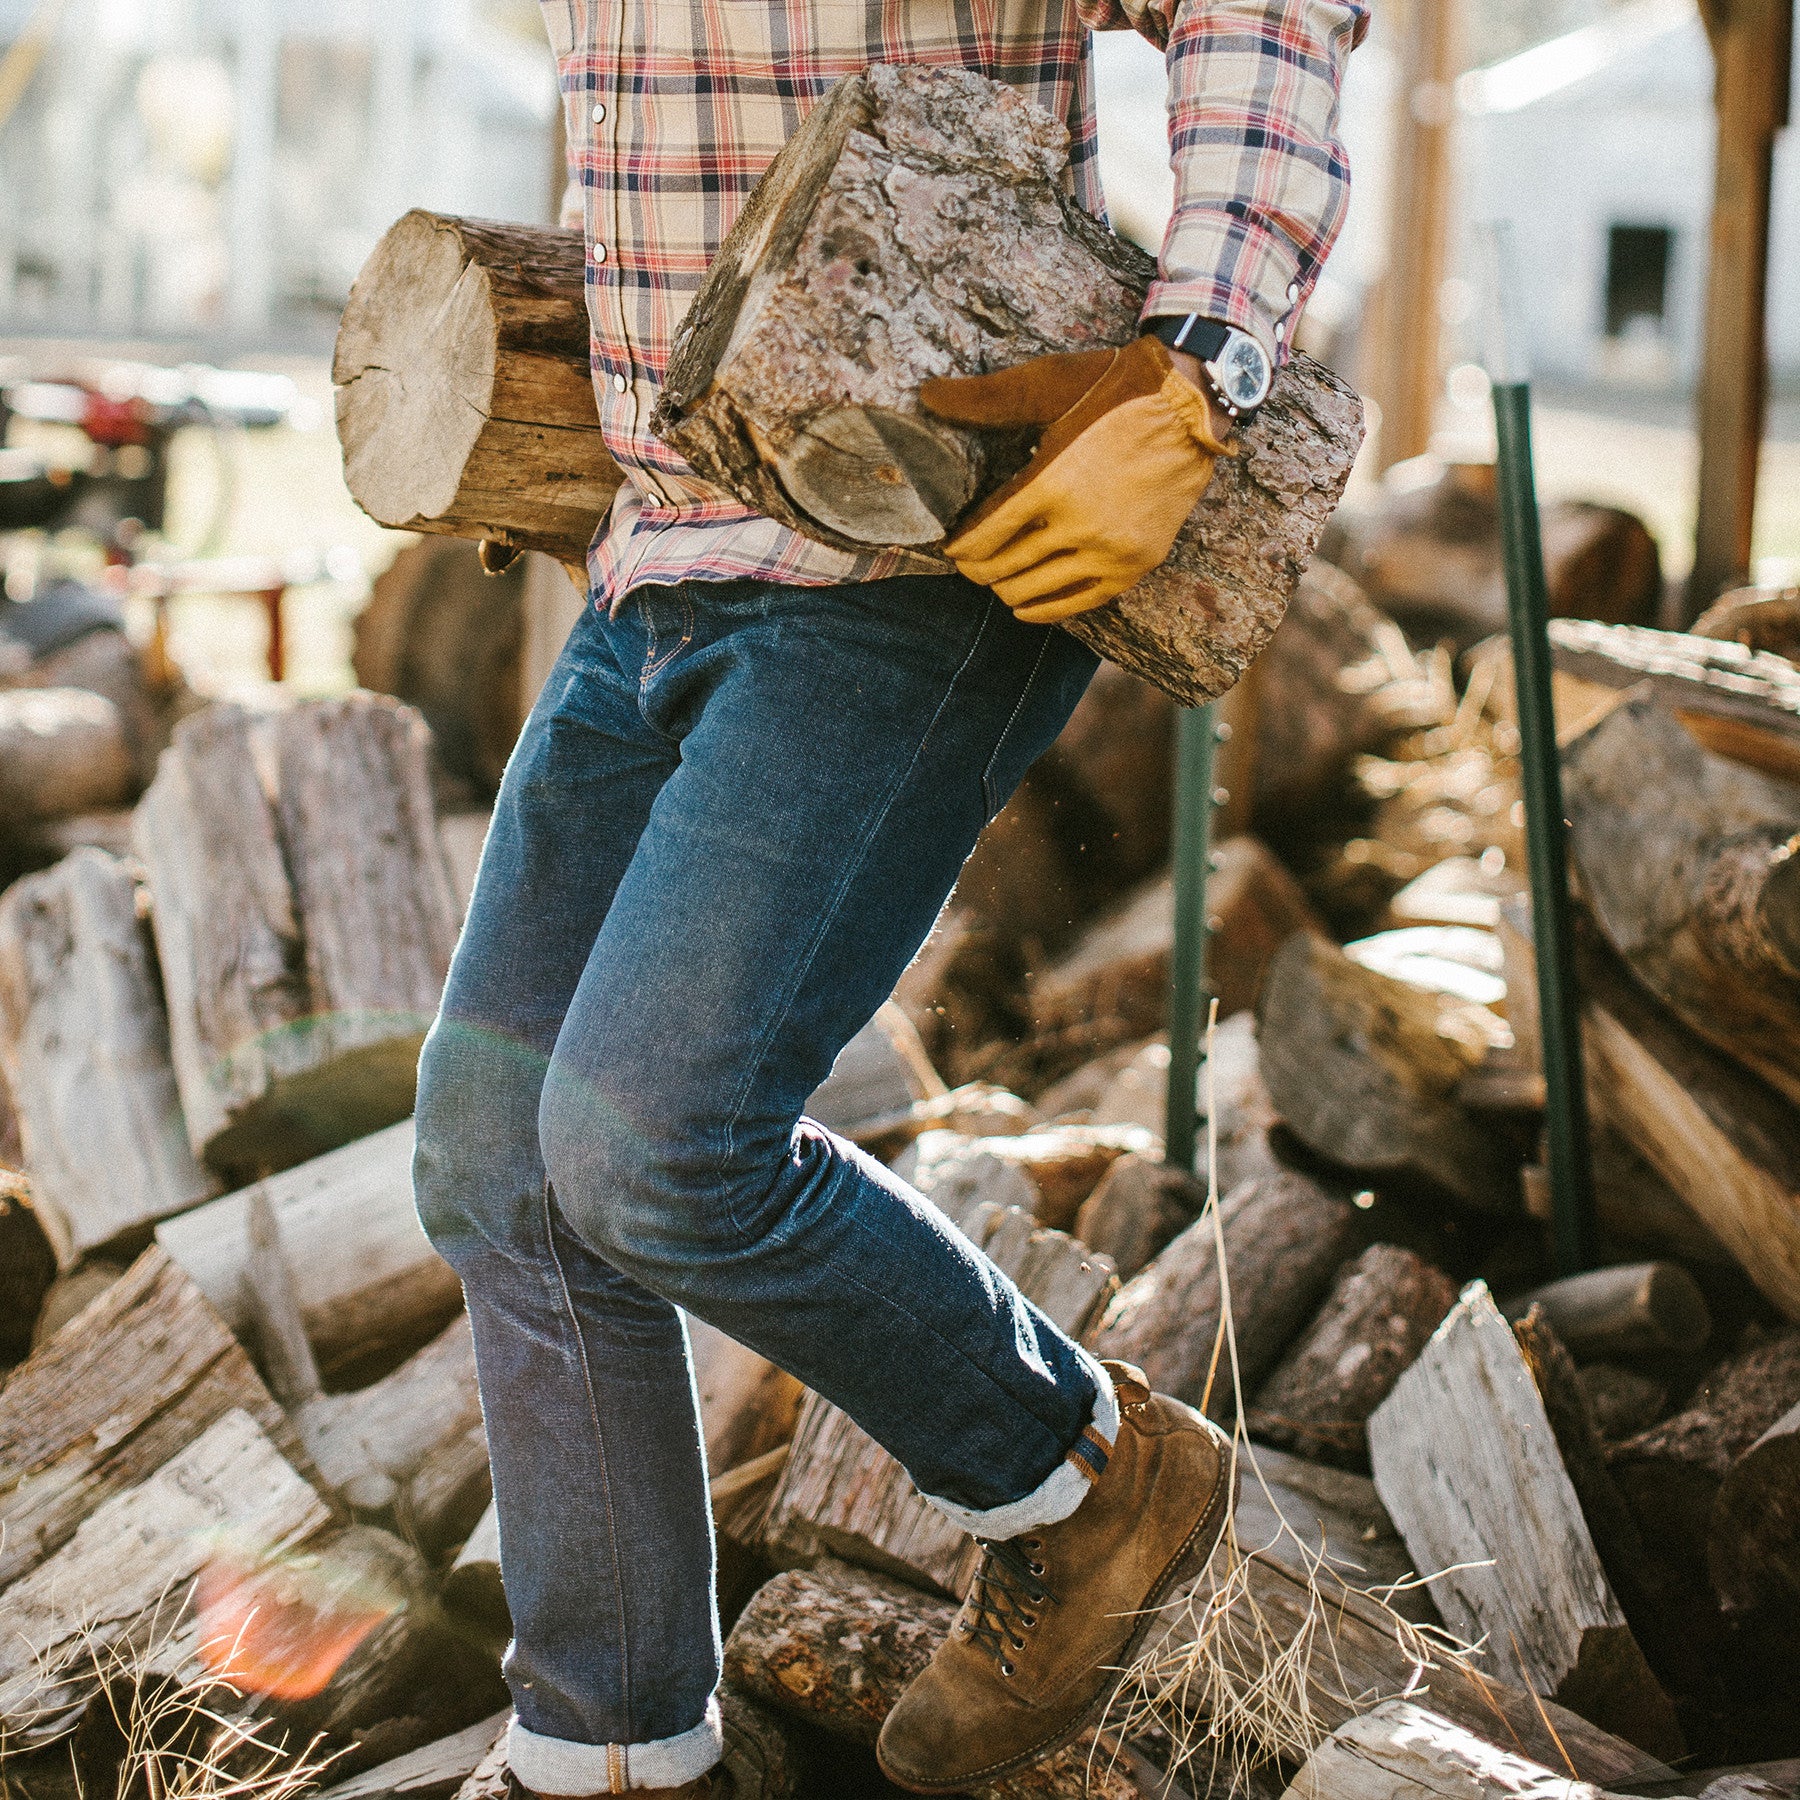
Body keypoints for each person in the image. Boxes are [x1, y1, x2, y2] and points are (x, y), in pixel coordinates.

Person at [412, 0, 1365, 1791]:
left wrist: (1202, 362)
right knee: (495, 1154)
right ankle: (610, 1750)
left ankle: (1085, 1484)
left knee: (654, 1147)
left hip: (921, 545)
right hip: (656, 567)